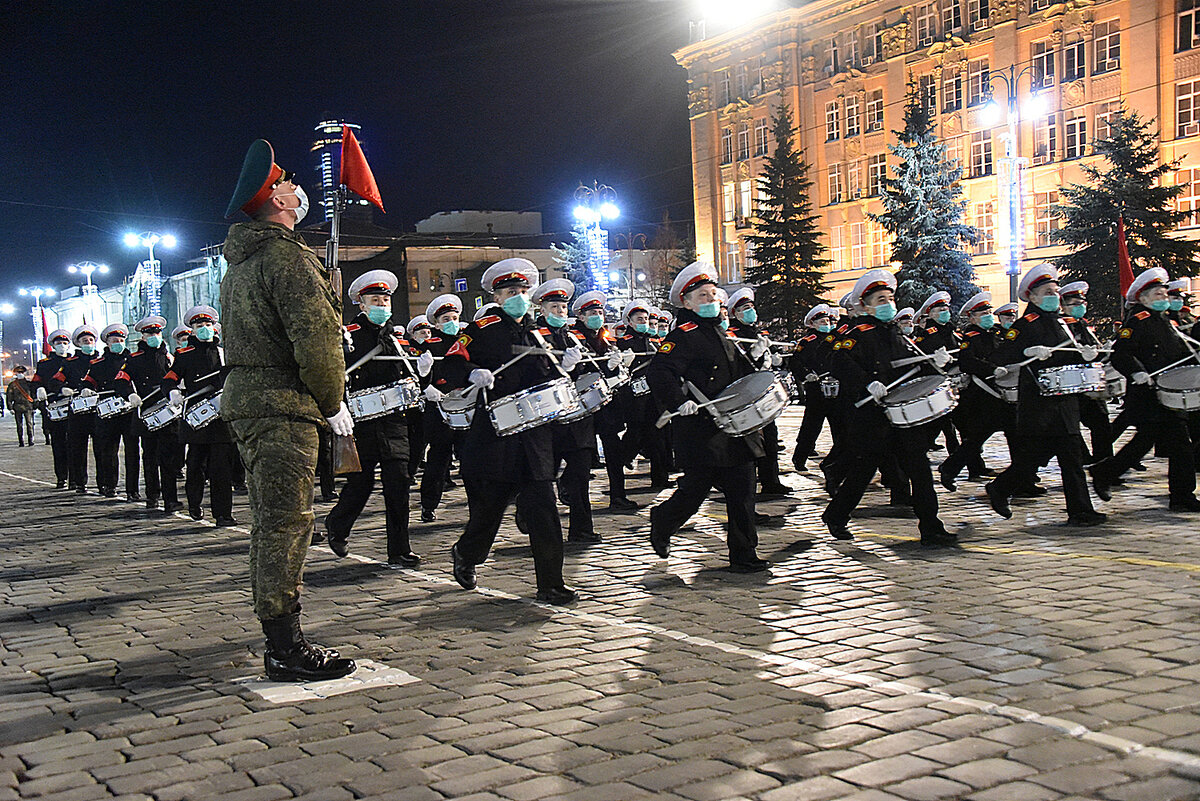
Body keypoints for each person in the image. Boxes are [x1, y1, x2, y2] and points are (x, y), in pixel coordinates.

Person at [220, 139, 356, 681]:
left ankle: (279, 632)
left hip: (252, 403)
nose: (297, 186)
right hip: (282, 406)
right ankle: (285, 646)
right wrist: (333, 400)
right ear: (276, 199)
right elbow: (317, 341)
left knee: (270, 521)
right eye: (287, 180)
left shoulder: (242, 263)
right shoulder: (287, 257)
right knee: (286, 523)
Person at [433, 257, 575, 604]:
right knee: (490, 510)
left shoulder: (538, 332)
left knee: (544, 506)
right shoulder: (481, 330)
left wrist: (564, 368)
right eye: (512, 291)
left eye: (523, 291)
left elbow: (544, 381)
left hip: (534, 434)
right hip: (498, 435)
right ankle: (467, 554)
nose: (519, 297)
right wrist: (471, 373)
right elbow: (449, 366)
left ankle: (551, 583)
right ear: (496, 296)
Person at [645, 262, 770, 572]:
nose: (712, 300)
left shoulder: (720, 332)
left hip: (731, 426)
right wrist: (679, 400)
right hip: (701, 429)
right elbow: (658, 372)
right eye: (703, 296)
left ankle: (744, 554)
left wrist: (755, 360)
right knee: (695, 491)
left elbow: (737, 378)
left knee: (743, 490)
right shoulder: (683, 336)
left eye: (714, 294)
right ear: (686, 302)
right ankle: (663, 520)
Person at [820, 269, 956, 546]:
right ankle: (835, 515)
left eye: (889, 298)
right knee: (863, 472)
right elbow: (840, 363)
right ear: (864, 305)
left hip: (900, 414)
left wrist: (935, 362)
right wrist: (867, 383)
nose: (887, 304)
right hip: (872, 416)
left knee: (920, 470)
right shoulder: (858, 333)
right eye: (880, 299)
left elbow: (911, 365)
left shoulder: (894, 332)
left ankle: (931, 526)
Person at [986, 264, 1106, 526]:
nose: (1054, 296)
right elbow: (1000, 357)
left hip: (1065, 398)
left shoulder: (1063, 322)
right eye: (1048, 292)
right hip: (1040, 402)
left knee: (1071, 455)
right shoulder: (1024, 325)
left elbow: (1072, 352)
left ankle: (1080, 510)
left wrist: (1087, 355)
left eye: (1055, 291)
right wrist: (1026, 352)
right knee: (1034, 457)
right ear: (1033, 297)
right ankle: (1001, 488)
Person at [323, 270, 421, 564]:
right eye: (375, 300)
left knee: (398, 484)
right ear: (361, 304)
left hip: (393, 421)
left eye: (385, 299)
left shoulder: (395, 337)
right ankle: (337, 525)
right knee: (360, 485)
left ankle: (399, 549)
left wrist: (422, 373)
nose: (382, 304)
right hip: (362, 423)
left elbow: (405, 377)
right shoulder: (347, 335)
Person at [1089, 268, 1200, 511]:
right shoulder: (1137, 322)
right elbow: (1121, 354)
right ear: (1143, 298)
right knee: (1164, 443)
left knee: (1158, 443)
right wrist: (1136, 371)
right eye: (1157, 294)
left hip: (1168, 392)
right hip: (1147, 395)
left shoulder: (1165, 321)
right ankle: (1181, 496)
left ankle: (1106, 472)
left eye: (1164, 294)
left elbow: (1178, 355)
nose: (1164, 298)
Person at [531, 278, 599, 543]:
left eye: (563, 307)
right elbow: (534, 372)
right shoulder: (535, 335)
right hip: (550, 418)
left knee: (581, 472)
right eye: (555, 307)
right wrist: (564, 368)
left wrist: (612, 365)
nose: (560, 312)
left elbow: (591, 366)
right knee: (543, 476)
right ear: (542, 310)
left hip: (578, 417)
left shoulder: (572, 335)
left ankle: (581, 529)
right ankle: (529, 513)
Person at [937, 292, 1013, 491]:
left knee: (1007, 432)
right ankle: (951, 467)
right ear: (972, 318)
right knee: (979, 436)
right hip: (981, 394)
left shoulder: (995, 334)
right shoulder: (970, 337)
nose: (988, 316)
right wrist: (991, 369)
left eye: (989, 312)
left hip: (999, 391)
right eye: (983, 313)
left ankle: (1022, 477)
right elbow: (967, 362)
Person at [572, 290, 638, 513]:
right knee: (579, 456)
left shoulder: (604, 336)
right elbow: (581, 370)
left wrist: (621, 364)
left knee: (613, 451)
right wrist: (606, 367)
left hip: (607, 403)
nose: (598, 316)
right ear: (581, 316)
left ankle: (618, 495)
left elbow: (614, 368)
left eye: (600, 312)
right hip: (584, 405)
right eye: (592, 312)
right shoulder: (575, 337)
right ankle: (567, 487)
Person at [727, 287, 791, 497]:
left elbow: (769, 360)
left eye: (751, 307)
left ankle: (771, 480)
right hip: (745, 396)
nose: (750, 311)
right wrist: (755, 354)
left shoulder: (755, 333)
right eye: (745, 308)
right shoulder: (732, 335)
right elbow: (739, 367)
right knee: (750, 445)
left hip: (762, 393)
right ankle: (747, 488)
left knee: (771, 438)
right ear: (735, 313)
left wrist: (774, 359)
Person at [416, 293, 464, 522]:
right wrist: (427, 385)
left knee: (472, 458)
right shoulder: (428, 345)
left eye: (454, 317)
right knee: (439, 459)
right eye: (446, 318)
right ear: (436, 323)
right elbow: (419, 375)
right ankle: (428, 504)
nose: (451, 322)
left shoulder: (466, 341)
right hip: (440, 409)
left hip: (467, 406)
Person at [119, 316, 175, 511]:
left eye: (156, 333)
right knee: (149, 457)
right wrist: (131, 394)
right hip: (145, 411)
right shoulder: (133, 359)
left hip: (167, 412)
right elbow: (122, 380)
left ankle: (171, 498)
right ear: (142, 336)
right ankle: (152, 496)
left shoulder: (168, 357)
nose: (154, 336)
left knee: (169, 458)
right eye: (149, 333)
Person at [618, 300, 671, 489]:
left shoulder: (651, 340)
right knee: (636, 433)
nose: (644, 321)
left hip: (653, 396)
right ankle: (621, 457)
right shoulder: (624, 342)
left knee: (657, 436)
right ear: (629, 322)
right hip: (635, 396)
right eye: (639, 319)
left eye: (646, 318)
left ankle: (660, 478)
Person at [1060, 282, 1114, 465]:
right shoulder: (1061, 325)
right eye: (1074, 304)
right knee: (1070, 430)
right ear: (1063, 306)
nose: (1080, 307)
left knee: (1101, 425)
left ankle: (1105, 463)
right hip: (1073, 384)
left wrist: (1103, 352)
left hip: (1091, 381)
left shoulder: (1082, 324)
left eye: (1082, 303)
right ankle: (1084, 459)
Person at [88, 324, 140, 499]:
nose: (118, 343)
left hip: (128, 410)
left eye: (121, 340)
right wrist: (86, 389)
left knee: (132, 451)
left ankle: (133, 489)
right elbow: (88, 382)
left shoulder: (132, 360)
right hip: (108, 412)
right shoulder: (98, 364)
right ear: (108, 343)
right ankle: (109, 485)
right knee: (108, 451)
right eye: (114, 341)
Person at [790, 304, 837, 473]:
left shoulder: (835, 340)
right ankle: (800, 457)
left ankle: (836, 462)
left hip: (835, 389)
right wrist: (806, 375)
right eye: (822, 321)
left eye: (828, 320)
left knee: (839, 427)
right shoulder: (807, 342)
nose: (827, 324)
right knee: (812, 426)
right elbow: (795, 362)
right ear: (813, 324)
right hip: (816, 389)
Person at [61, 325, 102, 493]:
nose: (88, 343)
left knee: (102, 449)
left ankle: (104, 483)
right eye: (85, 341)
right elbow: (56, 380)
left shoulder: (101, 360)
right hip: (78, 412)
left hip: (98, 411)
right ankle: (78, 481)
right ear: (78, 343)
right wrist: (62, 389)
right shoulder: (70, 363)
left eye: (91, 340)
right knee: (77, 449)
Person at [32, 330, 73, 486]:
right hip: (54, 407)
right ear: (53, 346)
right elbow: (36, 381)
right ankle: (62, 476)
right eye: (58, 344)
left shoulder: (73, 361)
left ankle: (75, 478)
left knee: (75, 444)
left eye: (64, 343)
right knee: (59, 444)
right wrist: (39, 389)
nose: (62, 346)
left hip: (74, 406)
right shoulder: (45, 364)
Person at [6, 365, 36, 447]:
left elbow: (33, 395)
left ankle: (30, 440)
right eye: (18, 372)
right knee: (19, 425)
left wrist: (35, 406)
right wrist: (10, 408)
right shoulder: (13, 385)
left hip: (28, 406)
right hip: (17, 407)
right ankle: (21, 441)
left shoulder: (28, 384)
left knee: (30, 424)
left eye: (21, 372)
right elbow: (9, 397)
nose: (20, 374)